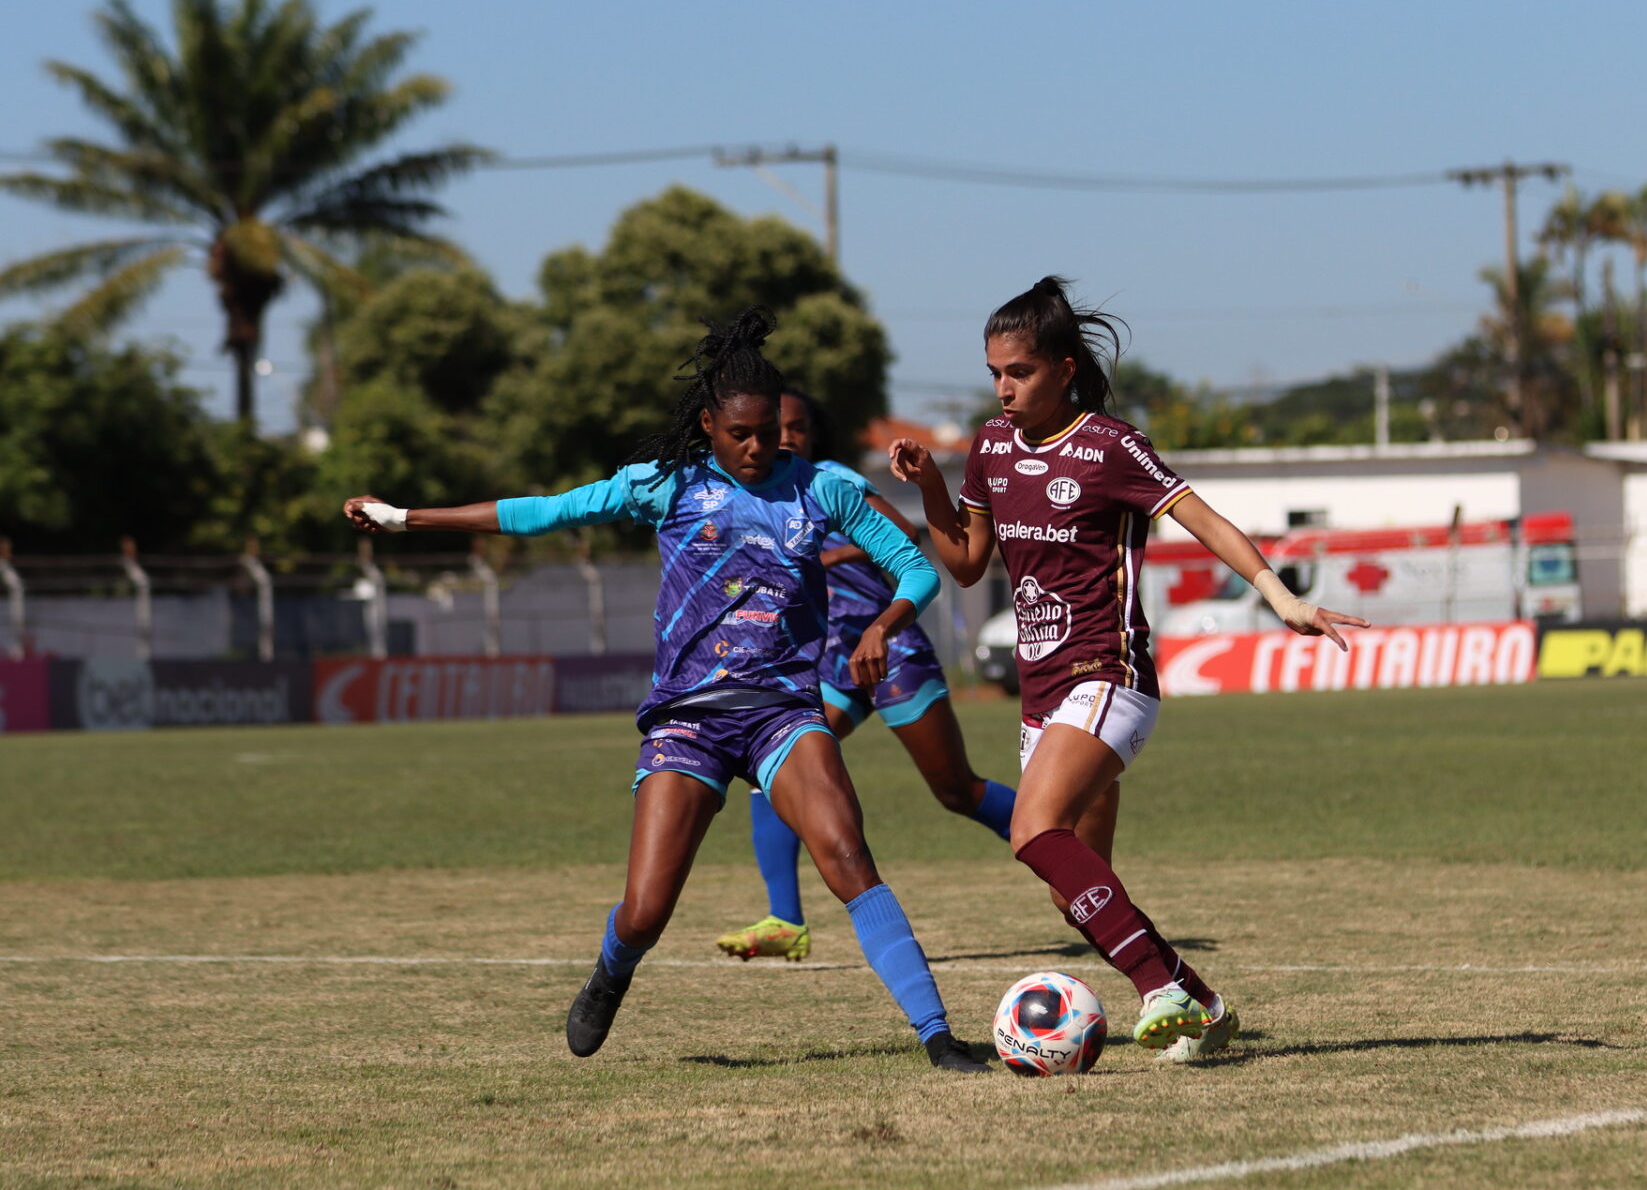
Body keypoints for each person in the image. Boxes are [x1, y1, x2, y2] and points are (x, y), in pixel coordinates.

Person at [342, 308, 989, 1072]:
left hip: (783, 712)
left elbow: (918, 569)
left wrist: (887, 621)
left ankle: (938, 1037)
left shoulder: (827, 489)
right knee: (647, 910)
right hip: (689, 721)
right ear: (709, 423)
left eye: (770, 434)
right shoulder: (665, 484)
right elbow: (541, 513)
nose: (758, 448)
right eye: (740, 433)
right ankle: (613, 969)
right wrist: (405, 517)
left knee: (849, 856)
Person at [889, 276, 1369, 1061]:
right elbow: (969, 565)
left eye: (1021, 372)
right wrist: (934, 490)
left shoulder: (1110, 445)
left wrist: (1277, 593)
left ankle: (1158, 988)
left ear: (1065, 367)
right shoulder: (990, 449)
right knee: (1071, 888)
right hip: (1042, 698)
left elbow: (1202, 517)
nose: (1005, 389)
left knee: (1031, 827)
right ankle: (1206, 1005)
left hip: (1108, 675)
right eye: (995, 374)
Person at [716, 390, 1018, 962]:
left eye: (798, 427)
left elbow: (904, 533)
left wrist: (825, 558)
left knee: (955, 789)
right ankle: (785, 919)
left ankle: (1047, 840)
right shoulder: (756, 497)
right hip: (835, 663)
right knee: (769, 769)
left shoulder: (830, 479)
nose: (787, 438)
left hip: (892, 647)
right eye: (777, 428)